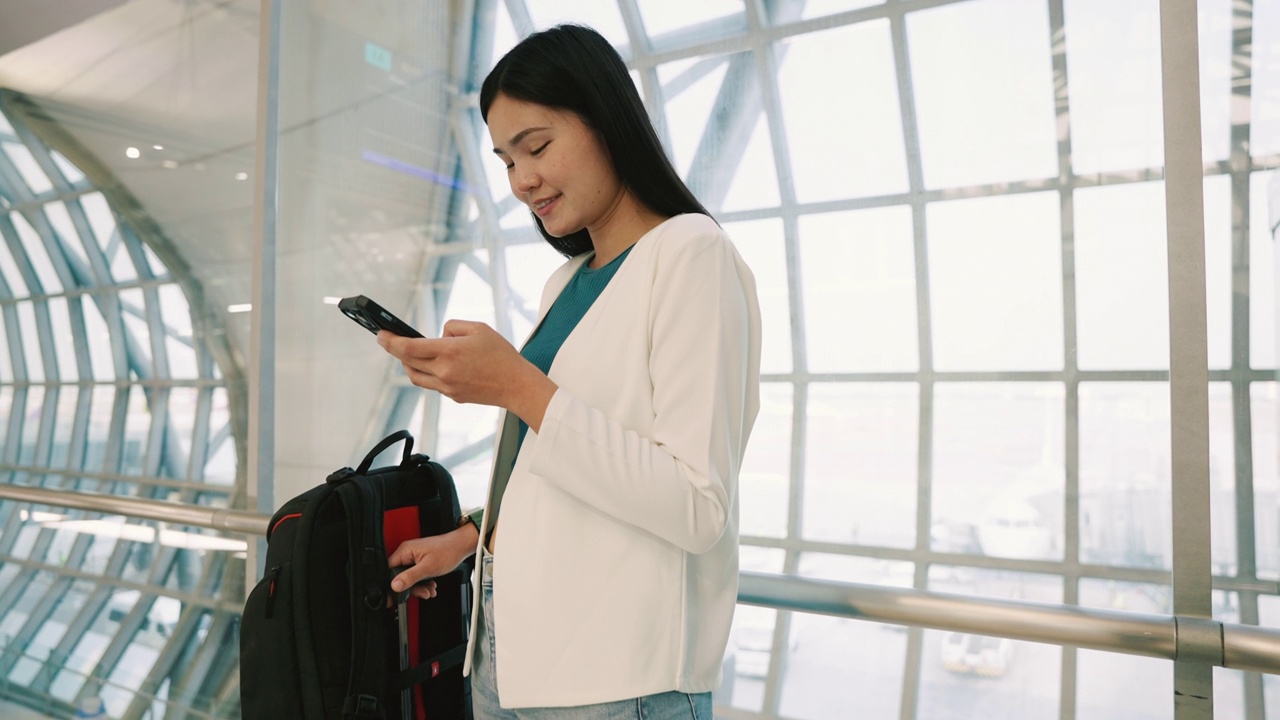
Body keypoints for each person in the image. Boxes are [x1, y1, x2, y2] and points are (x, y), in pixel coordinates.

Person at [378, 23, 761, 719]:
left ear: (608, 122)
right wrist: (468, 540)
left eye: (538, 146)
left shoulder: (690, 254)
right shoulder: (569, 281)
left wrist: (517, 386)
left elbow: (696, 504)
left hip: (616, 685)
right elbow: (563, 464)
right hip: (509, 664)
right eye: (505, 161)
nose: (522, 180)